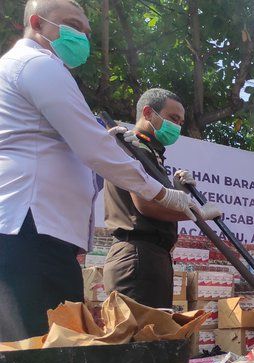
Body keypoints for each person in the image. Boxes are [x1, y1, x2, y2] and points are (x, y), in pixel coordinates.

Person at [0, 0, 195, 342]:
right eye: (72, 24)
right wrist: (168, 195)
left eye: (87, 31)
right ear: (37, 22)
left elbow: (72, 146)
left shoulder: (27, 69)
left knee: (44, 350)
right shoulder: (37, 65)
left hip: (39, 231)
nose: (83, 36)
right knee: (43, 351)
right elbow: (92, 148)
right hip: (32, 229)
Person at [102, 88, 222, 308]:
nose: (177, 127)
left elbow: (158, 199)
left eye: (180, 122)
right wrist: (197, 213)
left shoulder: (150, 154)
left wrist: (180, 192)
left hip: (150, 257)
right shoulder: (134, 147)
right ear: (148, 113)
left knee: (156, 335)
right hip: (137, 257)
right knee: (142, 338)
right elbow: (146, 205)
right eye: (173, 118)